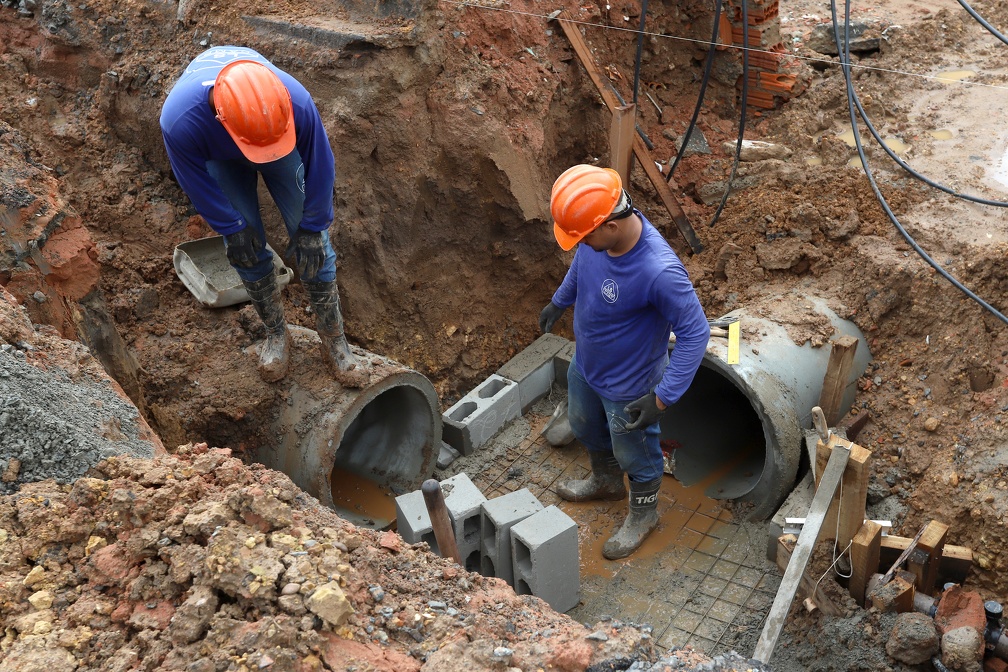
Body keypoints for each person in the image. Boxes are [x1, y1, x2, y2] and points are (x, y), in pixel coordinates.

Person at [160, 46, 359, 384]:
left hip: (279, 141)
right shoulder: (181, 120)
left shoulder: (296, 102)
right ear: (220, 116)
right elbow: (194, 181)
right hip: (220, 155)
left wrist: (313, 225)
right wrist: (231, 227)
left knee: (315, 245)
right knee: (244, 248)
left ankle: (334, 340)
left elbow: (320, 165)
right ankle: (276, 333)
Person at [539, 164, 709, 559]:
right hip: (587, 364)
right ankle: (606, 481)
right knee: (582, 423)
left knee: (635, 453)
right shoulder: (595, 240)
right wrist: (559, 301)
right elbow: (581, 269)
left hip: (630, 385)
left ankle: (643, 514)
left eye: (584, 236)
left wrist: (662, 398)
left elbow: (696, 333)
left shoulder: (659, 271)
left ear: (610, 226)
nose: (579, 243)